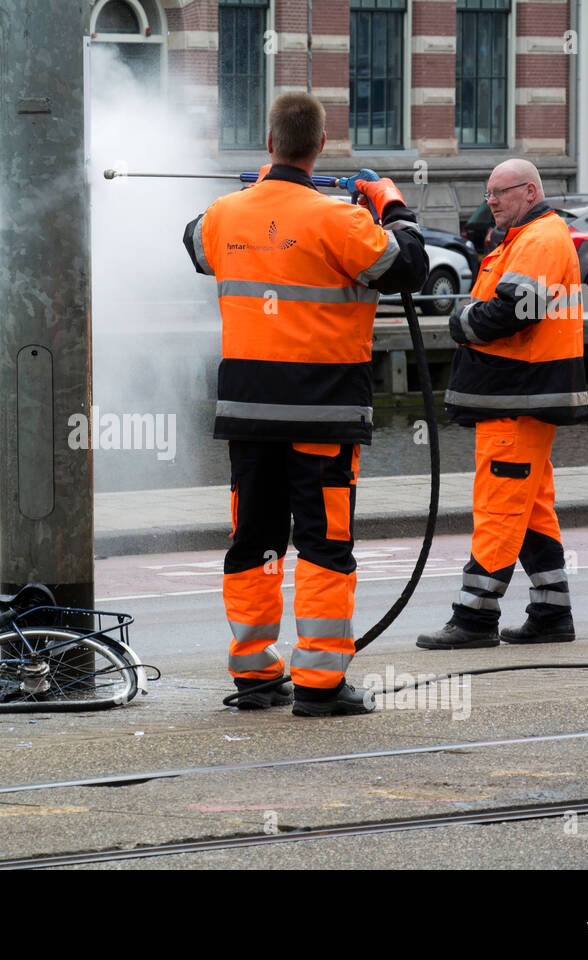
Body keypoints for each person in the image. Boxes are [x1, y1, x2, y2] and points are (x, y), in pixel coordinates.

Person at [182, 92, 427, 716]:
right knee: (323, 545)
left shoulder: (224, 213)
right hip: (322, 415)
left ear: (268, 144)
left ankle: (256, 676)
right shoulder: (342, 222)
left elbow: (193, 242)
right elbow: (407, 268)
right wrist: (389, 202)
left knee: (254, 542)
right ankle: (319, 684)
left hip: (247, 414)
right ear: (320, 147)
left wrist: (256, 191)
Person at [416, 159, 588, 650]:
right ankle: (552, 613)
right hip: (521, 397)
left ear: (530, 191)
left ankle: (474, 619)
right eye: (487, 192)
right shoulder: (526, 238)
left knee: (497, 510)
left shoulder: (537, 240)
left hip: (517, 399)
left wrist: (461, 322)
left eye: (500, 192)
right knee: (531, 509)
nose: (490, 200)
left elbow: (514, 309)